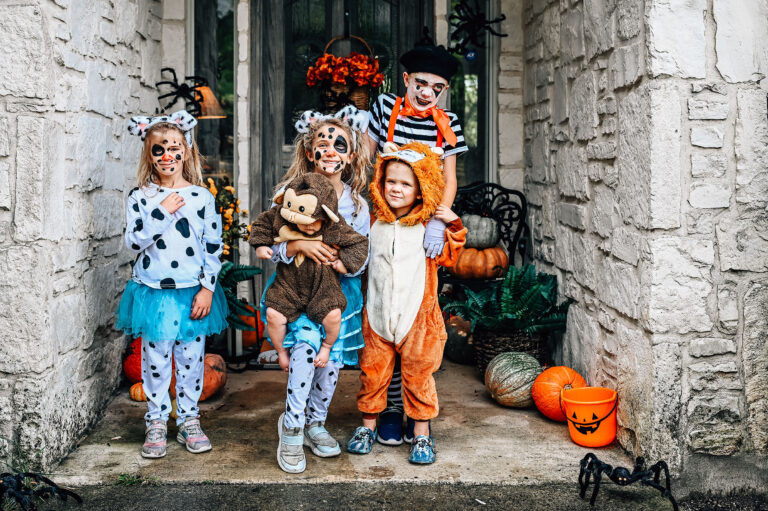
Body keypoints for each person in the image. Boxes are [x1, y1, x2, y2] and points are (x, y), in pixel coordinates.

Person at [257, 106, 371, 473]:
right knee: (306, 356)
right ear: (310, 152)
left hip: (338, 295)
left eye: (341, 144)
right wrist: (295, 247)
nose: (332, 150)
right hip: (296, 291)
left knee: (330, 364)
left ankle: (315, 422)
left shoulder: (356, 204)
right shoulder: (288, 194)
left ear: (351, 155)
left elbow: (363, 250)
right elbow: (269, 238)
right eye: (324, 143)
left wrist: (343, 263)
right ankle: (291, 426)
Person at [366, 44, 467, 445]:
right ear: (406, 79)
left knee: (413, 323)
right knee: (383, 317)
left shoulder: (449, 123)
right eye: (421, 83)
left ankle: (416, 414)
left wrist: (439, 221)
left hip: (421, 231)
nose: (427, 93)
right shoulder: (384, 109)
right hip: (384, 221)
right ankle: (390, 410)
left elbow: (450, 176)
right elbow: (366, 161)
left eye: (437, 87)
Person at [117, 110, 228, 459]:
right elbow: (134, 243)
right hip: (155, 293)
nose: (168, 156)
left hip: (192, 291)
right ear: (148, 155)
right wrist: (162, 211)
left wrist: (208, 288)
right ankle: (156, 420)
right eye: (159, 149)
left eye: (175, 148)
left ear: (187, 151)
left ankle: (189, 420)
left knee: (191, 359)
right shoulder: (141, 197)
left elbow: (213, 247)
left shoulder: (201, 197)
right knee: (155, 358)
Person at [347, 142, 466, 464]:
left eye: (405, 184)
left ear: (421, 189)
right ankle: (367, 427)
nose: (396, 189)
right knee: (373, 375)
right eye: (391, 181)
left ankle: (422, 434)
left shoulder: (428, 228)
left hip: (418, 319)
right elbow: (356, 259)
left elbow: (451, 257)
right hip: (378, 316)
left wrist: (452, 224)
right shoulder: (373, 223)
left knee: (418, 377)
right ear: (380, 183)